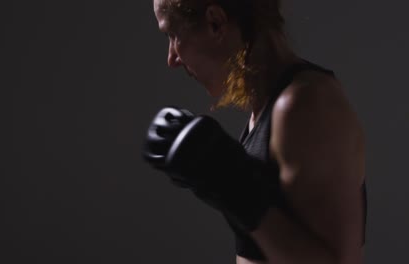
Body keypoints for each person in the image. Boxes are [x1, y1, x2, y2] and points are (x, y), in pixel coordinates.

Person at [143, 0, 367, 263]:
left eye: (172, 34)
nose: (172, 59)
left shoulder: (304, 105)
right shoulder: (268, 109)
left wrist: (233, 187)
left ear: (215, 23)